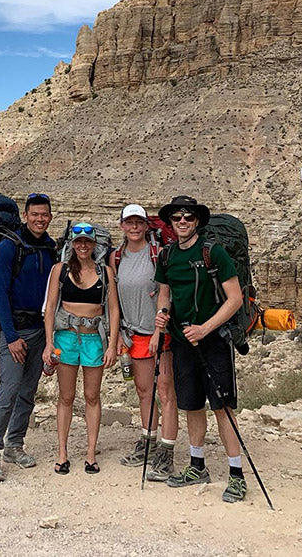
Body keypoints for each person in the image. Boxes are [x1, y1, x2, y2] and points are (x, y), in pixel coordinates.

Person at [153, 195, 247, 503]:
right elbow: (165, 294)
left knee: (222, 408)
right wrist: (162, 316)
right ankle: (197, 466)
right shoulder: (167, 256)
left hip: (214, 341)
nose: (182, 222)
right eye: (177, 217)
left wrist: (205, 329)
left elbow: (235, 299)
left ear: (197, 221)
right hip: (182, 343)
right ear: (170, 222)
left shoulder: (213, 252)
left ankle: (236, 475)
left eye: (188, 217)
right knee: (191, 405)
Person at [0, 193, 58, 482]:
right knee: (9, 390)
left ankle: (14, 445)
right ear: (25, 215)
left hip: (40, 330)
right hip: (15, 331)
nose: (40, 219)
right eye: (35, 214)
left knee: (27, 392)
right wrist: (10, 335)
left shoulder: (51, 248)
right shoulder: (9, 246)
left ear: (50, 217)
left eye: (45, 214)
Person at [43, 222, 119, 474]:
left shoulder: (105, 272)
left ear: (94, 244)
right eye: (78, 241)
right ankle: (62, 453)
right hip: (66, 339)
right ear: (72, 244)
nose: (83, 245)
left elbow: (114, 310)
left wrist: (113, 345)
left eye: (87, 241)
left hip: (93, 339)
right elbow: (51, 306)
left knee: (92, 396)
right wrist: (49, 343)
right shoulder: (60, 270)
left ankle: (90, 453)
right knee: (65, 397)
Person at [112, 204, 178, 481]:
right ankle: (148, 441)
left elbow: (168, 292)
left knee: (165, 393)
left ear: (146, 225)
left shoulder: (158, 254)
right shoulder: (116, 257)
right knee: (144, 391)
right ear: (122, 226)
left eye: (139, 222)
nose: (135, 227)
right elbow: (113, 299)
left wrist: (157, 332)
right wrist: (115, 335)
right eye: (130, 223)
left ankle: (166, 453)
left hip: (160, 333)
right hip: (133, 334)